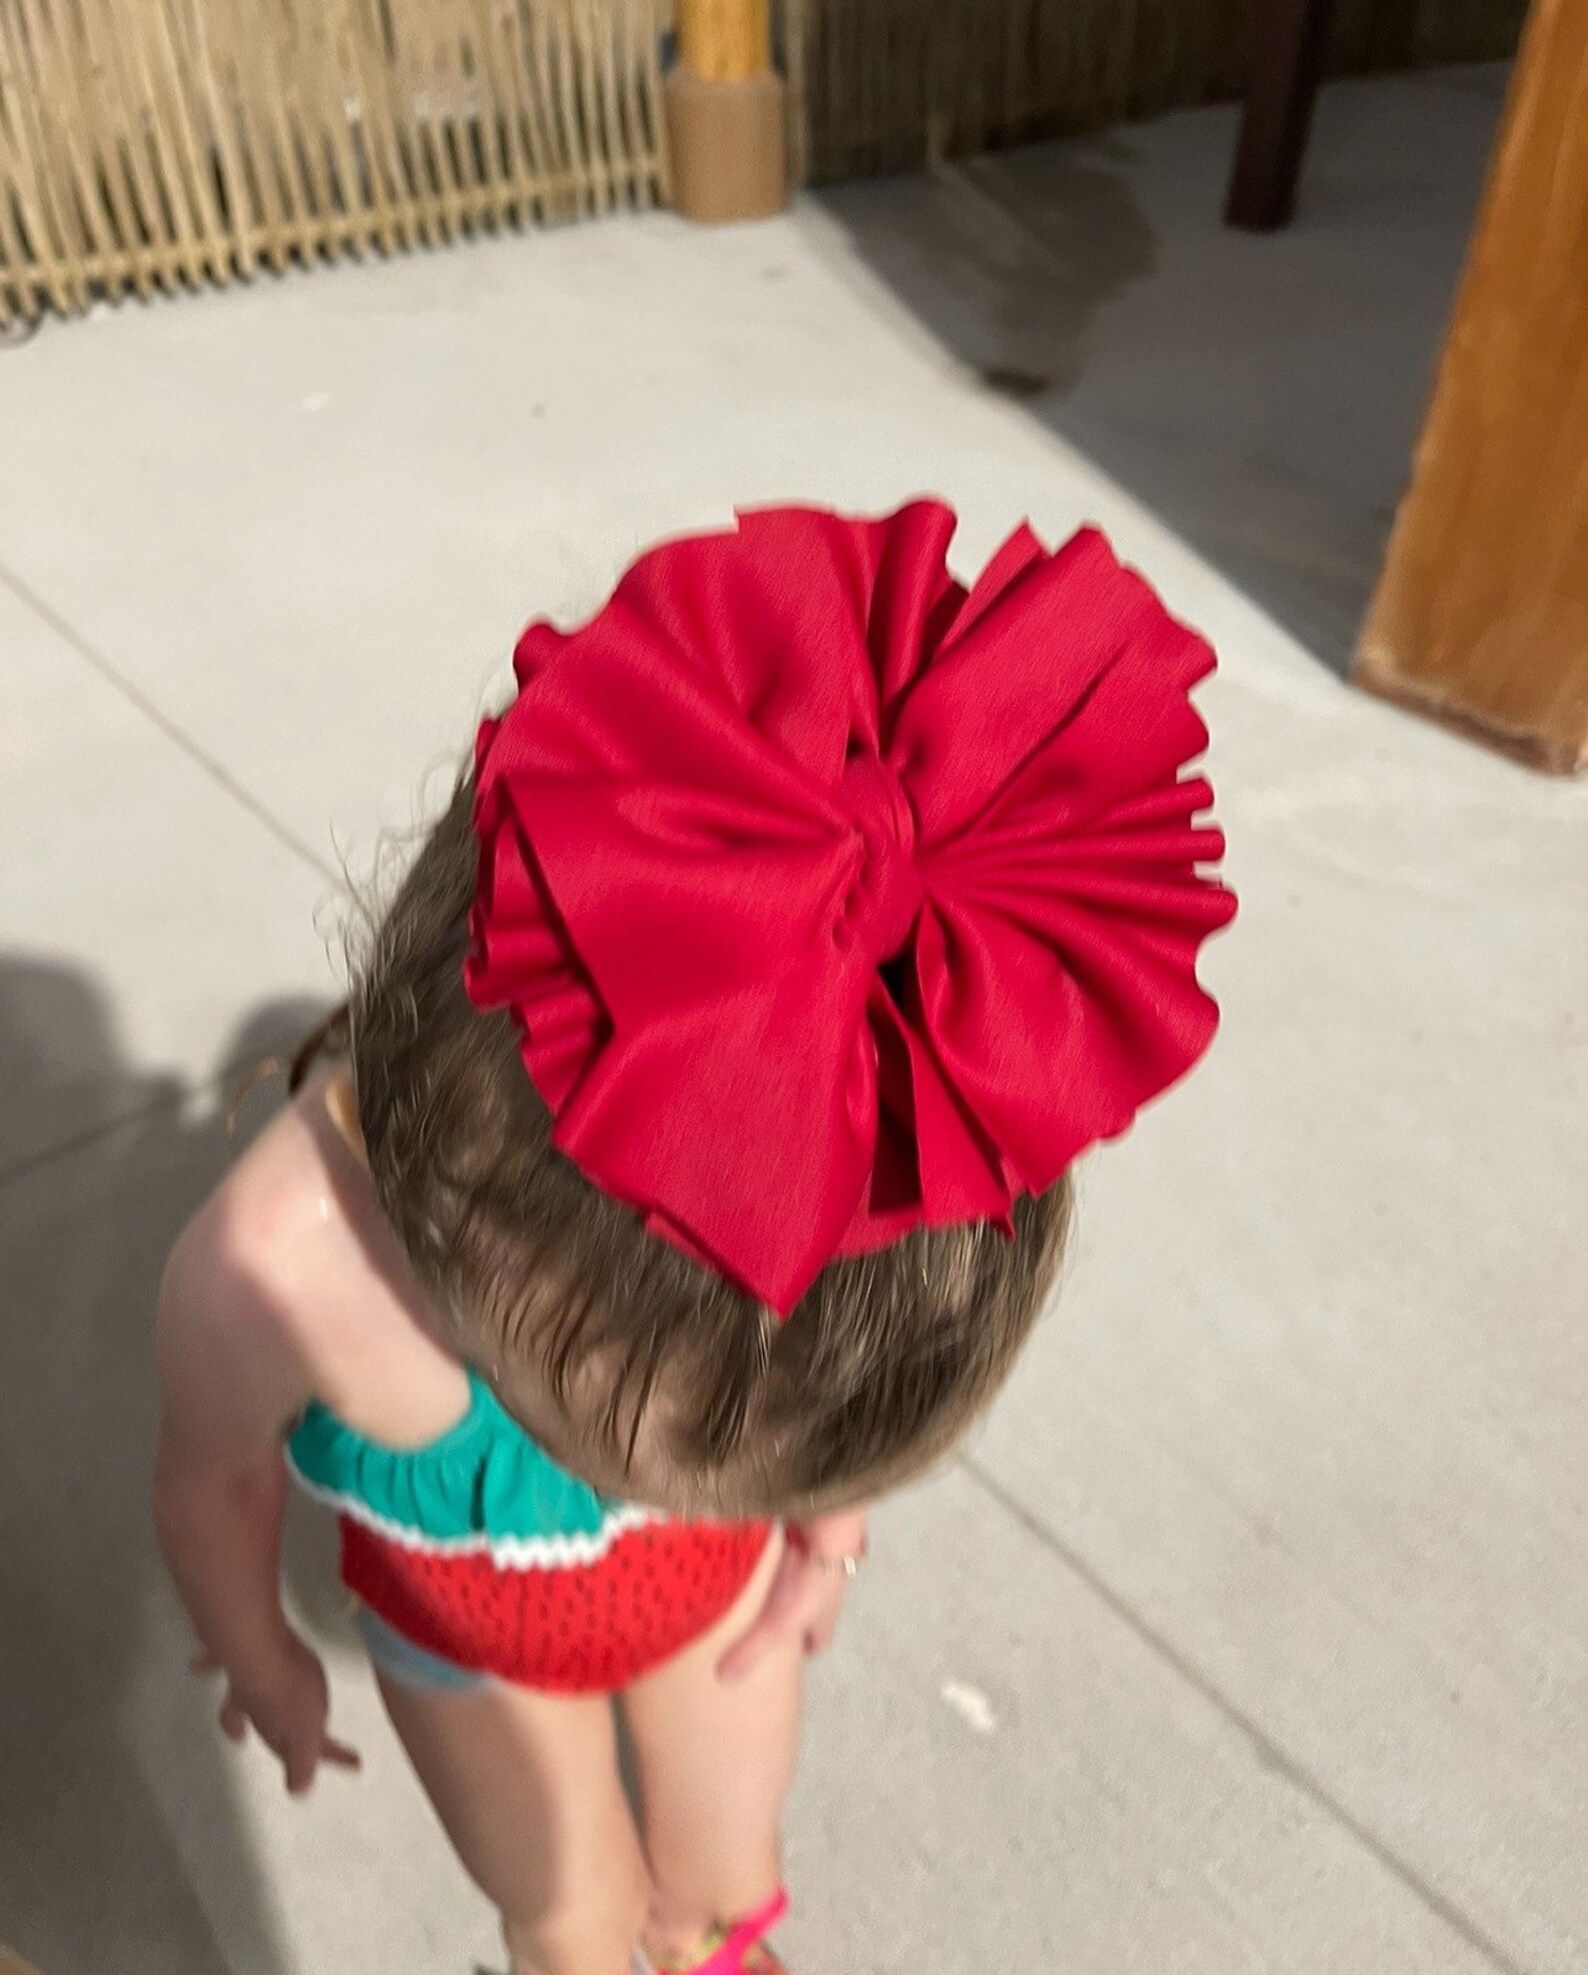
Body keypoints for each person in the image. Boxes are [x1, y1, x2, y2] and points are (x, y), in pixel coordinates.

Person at [153, 500, 1235, 1975]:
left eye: (733, 1463)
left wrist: (822, 1525)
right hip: (467, 1644)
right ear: (439, 1197)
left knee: (725, 1854)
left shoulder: (822, 1212)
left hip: (706, 1599)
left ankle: (712, 1934)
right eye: (613, 1454)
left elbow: (833, 1367)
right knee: (570, 1912)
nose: (618, 1486)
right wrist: (258, 1653)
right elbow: (209, 1480)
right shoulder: (272, 1264)